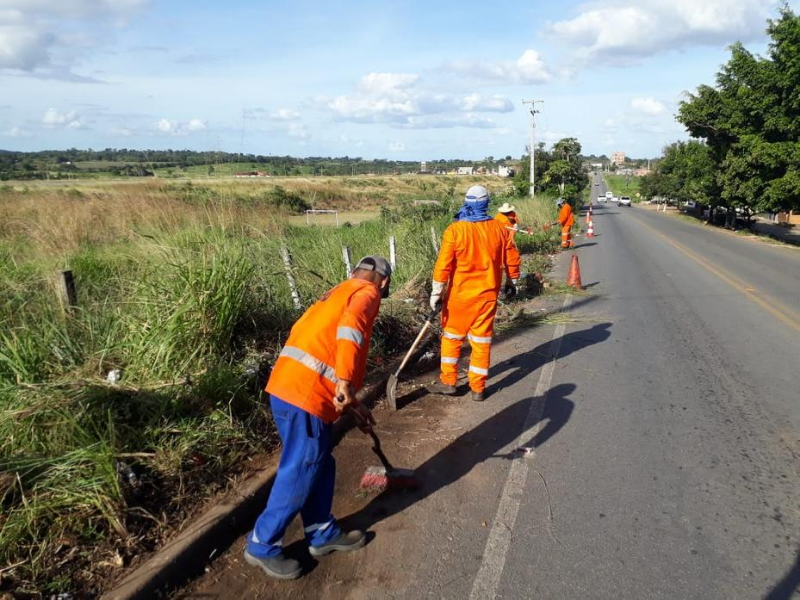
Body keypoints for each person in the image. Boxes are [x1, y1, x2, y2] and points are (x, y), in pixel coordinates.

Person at [244, 256, 392, 580]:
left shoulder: (336, 292)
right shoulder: (366, 293)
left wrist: (354, 405)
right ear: (383, 282)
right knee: (302, 466)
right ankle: (262, 543)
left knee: (320, 463)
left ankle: (321, 533)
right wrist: (345, 381)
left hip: (287, 388)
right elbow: (350, 330)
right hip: (304, 394)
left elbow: (324, 350)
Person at [428, 186, 521, 402]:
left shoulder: (455, 230)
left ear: (467, 203)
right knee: (481, 341)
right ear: (487, 203)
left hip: (460, 298)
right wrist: (512, 282)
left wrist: (436, 293)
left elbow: (443, 266)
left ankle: (449, 382)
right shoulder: (499, 228)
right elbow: (512, 258)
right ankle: (478, 388)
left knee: (451, 338)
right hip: (488, 297)